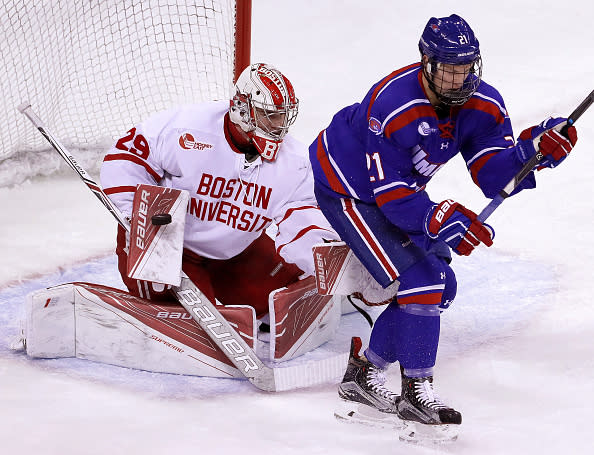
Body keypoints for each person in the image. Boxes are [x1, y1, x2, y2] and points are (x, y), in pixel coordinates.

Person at [309, 14, 578, 435]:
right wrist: (437, 217)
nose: (459, 79)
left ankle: (365, 373)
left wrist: (533, 151)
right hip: (350, 190)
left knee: (439, 289)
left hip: (397, 194)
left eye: (466, 68)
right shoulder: (392, 105)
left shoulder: (483, 104)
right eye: (449, 69)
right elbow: (392, 198)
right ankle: (417, 392)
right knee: (422, 280)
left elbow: (493, 175)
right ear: (425, 62)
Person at [100, 63, 339, 319]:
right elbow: (126, 156)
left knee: (283, 300)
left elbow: (304, 216)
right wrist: (133, 217)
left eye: (283, 114)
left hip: (236, 252)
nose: (279, 124)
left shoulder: (295, 162)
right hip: (172, 245)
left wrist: (328, 257)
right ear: (242, 108)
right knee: (187, 317)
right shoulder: (187, 128)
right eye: (270, 114)